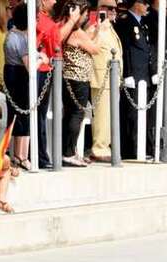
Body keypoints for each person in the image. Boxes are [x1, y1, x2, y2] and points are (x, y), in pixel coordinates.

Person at [37, 0, 81, 169]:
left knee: (43, 116)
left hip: (49, 70)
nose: (55, 1)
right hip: (42, 70)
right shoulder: (39, 18)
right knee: (40, 116)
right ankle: (40, 156)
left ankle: (43, 155)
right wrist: (71, 21)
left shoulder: (47, 18)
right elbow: (57, 39)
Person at [60, 0, 99, 167]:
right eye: (84, 14)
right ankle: (68, 153)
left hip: (70, 78)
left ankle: (68, 151)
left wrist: (92, 33)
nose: (86, 17)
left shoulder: (69, 30)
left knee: (70, 114)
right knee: (76, 115)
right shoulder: (76, 32)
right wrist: (101, 33)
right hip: (78, 79)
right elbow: (95, 49)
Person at [3, 3, 39, 169]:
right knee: (23, 115)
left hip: (11, 75)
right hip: (19, 77)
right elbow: (30, 66)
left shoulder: (11, 34)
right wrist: (42, 59)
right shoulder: (21, 39)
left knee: (16, 116)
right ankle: (22, 155)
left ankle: (17, 155)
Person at [114, 0, 151, 159]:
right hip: (133, 74)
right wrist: (127, 73)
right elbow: (126, 48)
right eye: (145, 3)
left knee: (141, 114)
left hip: (143, 74)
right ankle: (130, 149)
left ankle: (139, 147)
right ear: (136, 3)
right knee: (131, 114)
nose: (147, 6)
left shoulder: (143, 23)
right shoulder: (125, 21)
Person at [88, 0, 121, 163]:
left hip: (112, 78)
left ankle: (105, 146)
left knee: (109, 116)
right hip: (101, 78)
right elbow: (91, 45)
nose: (114, 11)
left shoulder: (110, 28)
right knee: (102, 116)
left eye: (115, 8)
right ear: (101, 9)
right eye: (110, 8)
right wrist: (99, 29)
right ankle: (99, 148)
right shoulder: (95, 27)